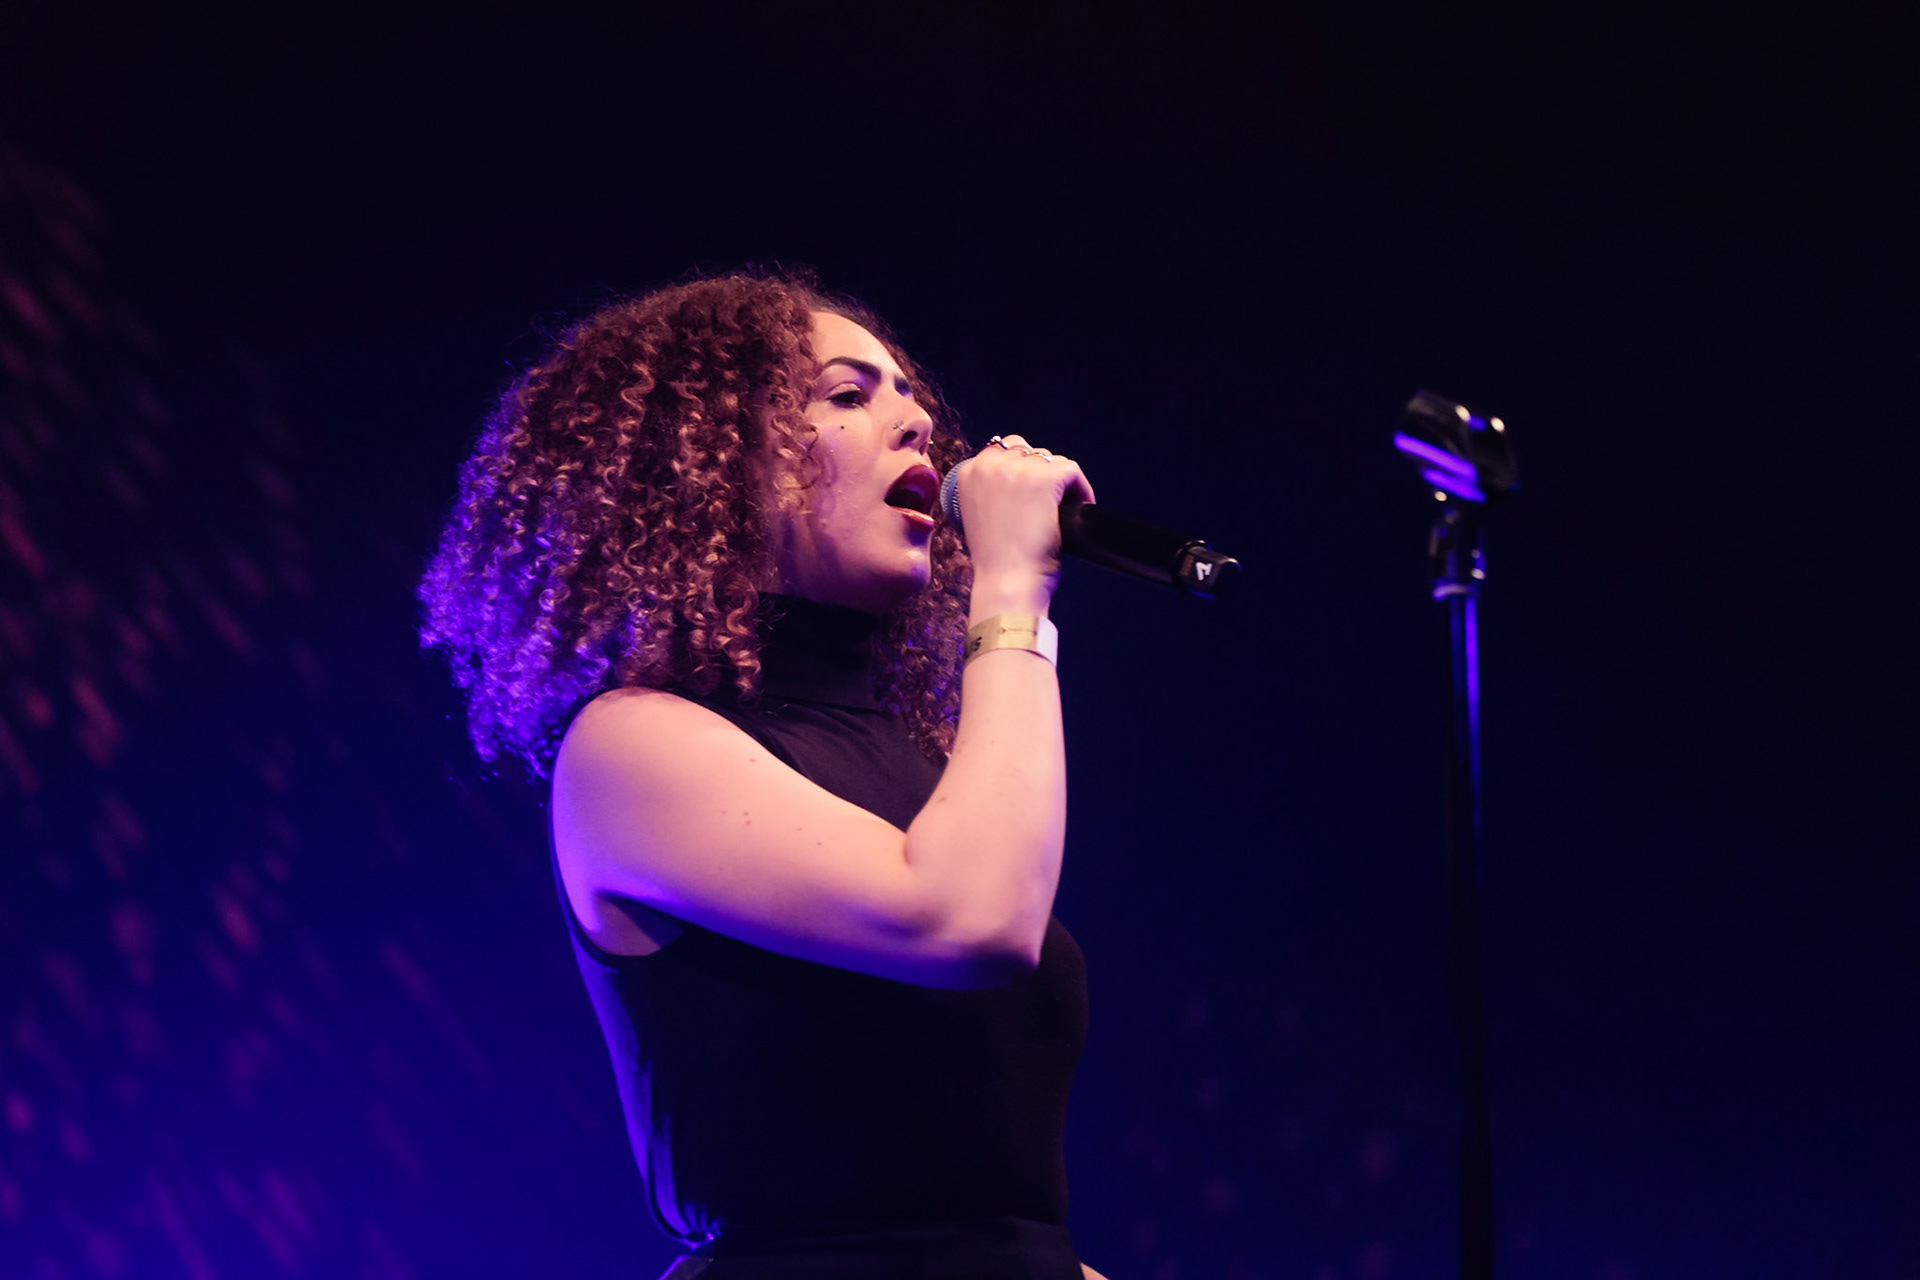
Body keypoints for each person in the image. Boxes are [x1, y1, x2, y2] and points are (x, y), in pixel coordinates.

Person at [420, 272, 1110, 1279]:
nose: (917, 421)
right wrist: (1013, 590)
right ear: (707, 464)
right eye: (848, 393)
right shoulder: (631, 748)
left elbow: (984, 1200)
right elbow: (969, 914)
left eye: (911, 393)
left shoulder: (930, 774)